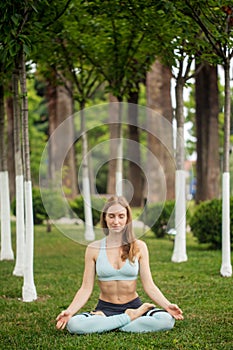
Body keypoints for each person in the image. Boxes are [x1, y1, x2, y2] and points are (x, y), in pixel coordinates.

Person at [56, 196, 183, 334]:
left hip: (134, 305)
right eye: (111, 216)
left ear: (127, 219)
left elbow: (149, 285)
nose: (116, 221)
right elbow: (86, 288)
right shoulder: (94, 248)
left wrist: (167, 305)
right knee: (74, 325)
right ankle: (129, 318)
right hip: (105, 309)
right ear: (105, 218)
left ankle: (110, 324)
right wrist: (70, 311)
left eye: (121, 216)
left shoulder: (139, 247)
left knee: (166, 320)